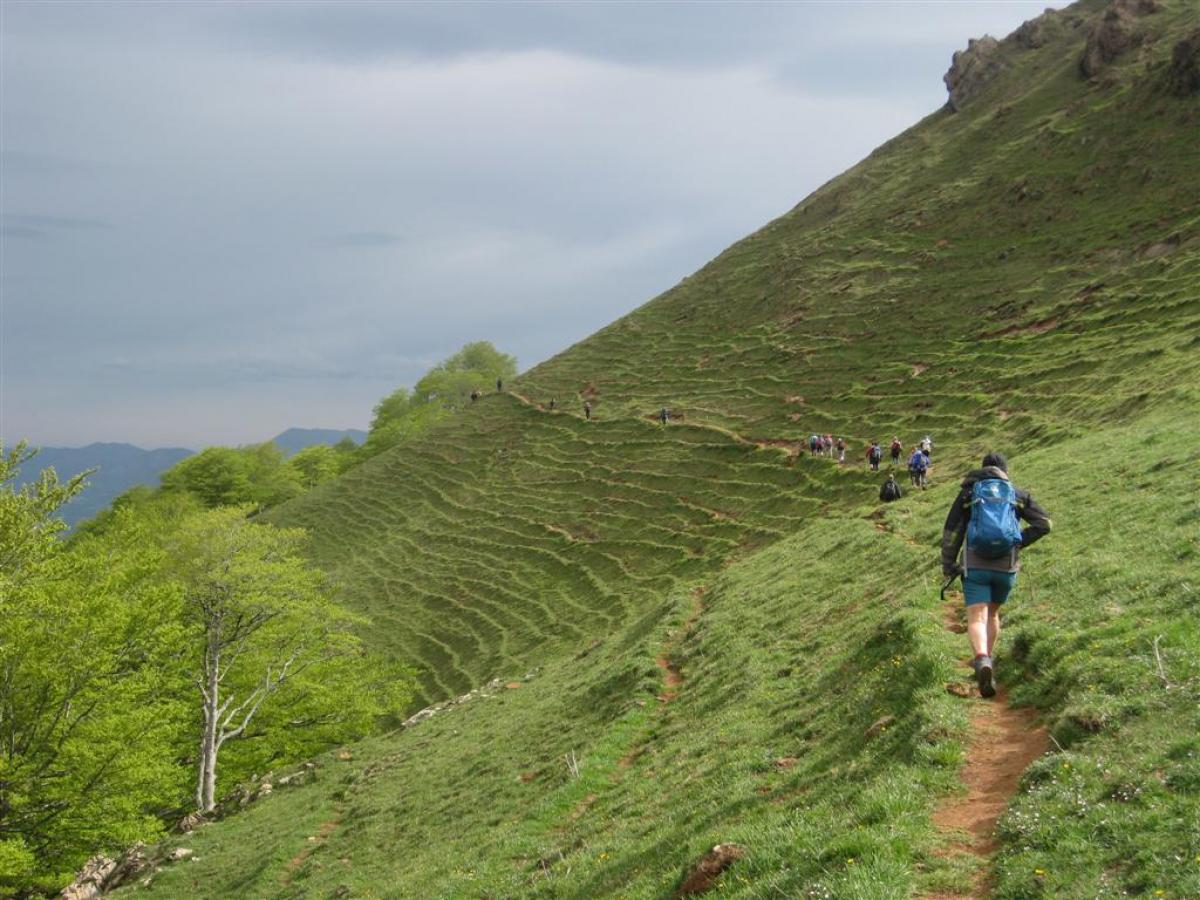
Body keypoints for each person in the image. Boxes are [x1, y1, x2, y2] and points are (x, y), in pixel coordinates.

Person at [941, 452, 1051, 698]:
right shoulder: (1015, 495)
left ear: (982, 469)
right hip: (1006, 566)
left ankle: (981, 660)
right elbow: (1045, 524)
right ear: (1004, 470)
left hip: (975, 565)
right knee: (993, 614)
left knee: (976, 616)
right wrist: (1017, 542)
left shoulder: (969, 494)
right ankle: (987, 659)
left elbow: (952, 531)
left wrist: (948, 564)